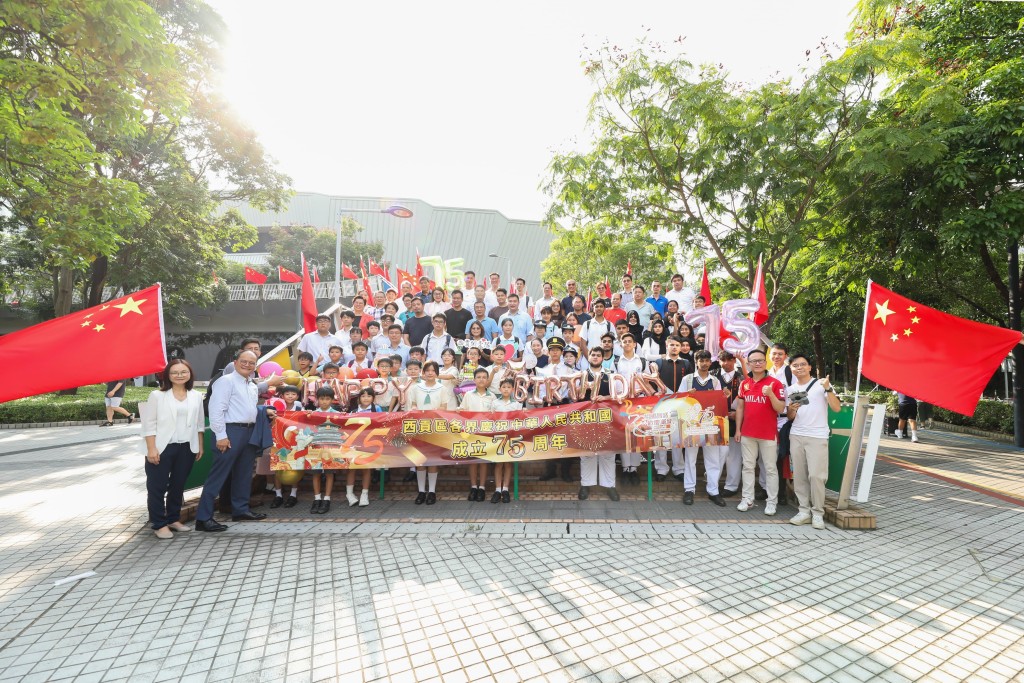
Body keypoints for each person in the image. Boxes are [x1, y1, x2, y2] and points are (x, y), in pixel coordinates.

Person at [195, 350, 267, 532]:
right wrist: (221, 436)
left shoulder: (251, 385)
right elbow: (216, 410)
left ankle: (241, 510)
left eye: (252, 363)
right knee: (218, 476)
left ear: (255, 366)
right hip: (230, 432)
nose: (247, 365)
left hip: (249, 432)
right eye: (244, 361)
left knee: (244, 474)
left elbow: (247, 409)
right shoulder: (225, 381)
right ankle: (203, 518)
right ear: (235, 362)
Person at [142, 359, 204, 539]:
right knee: (157, 487)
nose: (179, 375)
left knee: (178, 485)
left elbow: (199, 423)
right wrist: (151, 449)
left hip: (187, 447)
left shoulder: (196, 396)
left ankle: (173, 519)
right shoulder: (157, 395)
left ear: (190, 374)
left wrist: (200, 445)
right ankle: (159, 524)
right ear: (168, 376)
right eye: (174, 372)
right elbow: (149, 425)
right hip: (162, 447)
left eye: (183, 372)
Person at [786, 354, 841, 530]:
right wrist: (792, 410)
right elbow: (791, 417)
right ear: (791, 369)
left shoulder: (821, 385)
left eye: (803, 364)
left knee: (817, 476)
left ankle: (818, 513)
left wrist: (828, 389)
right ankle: (804, 511)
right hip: (796, 435)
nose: (799, 367)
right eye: (795, 365)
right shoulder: (791, 389)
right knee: (800, 476)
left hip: (817, 436)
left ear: (810, 367)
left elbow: (836, 408)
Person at [734, 348, 787, 515]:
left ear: (766, 363)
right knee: (748, 467)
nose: (757, 363)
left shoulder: (775, 383)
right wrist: (738, 429)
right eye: (754, 361)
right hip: (747, 433)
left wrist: (770, 394)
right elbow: (741, 407)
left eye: (760, 360)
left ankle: (772, 502)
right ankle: (747, 499)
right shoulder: (745, 383)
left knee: (770, 469)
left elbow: (780, 408)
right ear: (748, 364)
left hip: (768, 434)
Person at [678, 350, 728, 507]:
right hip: (691, 425)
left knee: (712, 460)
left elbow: (720, 402)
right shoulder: (687, 380)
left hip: (710, 424)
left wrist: (723, 395)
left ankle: (713, 491)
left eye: (707, 360)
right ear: (696, 362)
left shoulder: (714, 381)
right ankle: (689, 490)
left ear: (710, 363)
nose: (705, 363)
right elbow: (679, 400)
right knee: (690, 459)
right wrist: (687, 394)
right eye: (701, 360)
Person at [407, 361, 455, 504]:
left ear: (436, 373)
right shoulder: (416, 388)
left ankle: (432, 491)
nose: (430, 373)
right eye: (427, 370)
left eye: (433, 370)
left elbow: (444, 407)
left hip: (434, 427)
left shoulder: (442, 388)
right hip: (419, 427)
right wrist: (417, 411)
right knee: (420, 460)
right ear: (423, 372)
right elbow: (413, 404)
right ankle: (421, 491)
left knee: (433, 459)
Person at [579, 348, 619, 501]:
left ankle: (610, 486)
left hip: (605, 417)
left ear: (603, 358)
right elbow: (574, 396)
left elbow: (618, 395)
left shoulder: (610, 375)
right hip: (586, 418)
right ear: (588, 357)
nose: (595, 357)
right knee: (586, 453)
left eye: (598, 355)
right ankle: (585, 485)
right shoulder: (581, 375)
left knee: (608, 453)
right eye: (593, 355)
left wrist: (606, 397)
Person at [652, 336, 692, 481]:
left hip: (681, 405)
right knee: (661, 437)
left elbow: (690, 381)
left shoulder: (686, 363)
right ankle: (661, 469)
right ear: (666, 345)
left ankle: (679, 469)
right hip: (662, 404)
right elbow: (651, 382)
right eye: (672, 345)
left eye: (677, 345)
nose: (674, 347)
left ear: (681, 347)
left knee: (678, 437)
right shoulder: (659, 362)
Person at [539, 337, 575, 482]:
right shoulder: (543, 370)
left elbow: (571, 389)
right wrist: (545, 397)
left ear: (561, 352)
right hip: (548, 405)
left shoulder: (569, 369)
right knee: (548, 437)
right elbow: (540, 388)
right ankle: (550, 470)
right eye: (552, 350)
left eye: (557, 350)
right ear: (548, 351)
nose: (554, 352)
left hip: (564, 404)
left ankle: (566, 471)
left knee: (566, 437)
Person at [615, 333, 647, 484]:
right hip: (622, 402)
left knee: (637, 434)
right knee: (624, 435)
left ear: (635, 344)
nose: (627, 344)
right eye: (624, 341)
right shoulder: (616, 361)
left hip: (638, 402)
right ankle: (625, 469)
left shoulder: (642, 361)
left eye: (630, 341)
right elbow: (614, 382)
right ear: (621, 344)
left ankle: (634, 469)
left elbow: (647, 381)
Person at [460, 366, 495, 501]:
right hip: (471, 433)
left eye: (484, 377)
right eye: (478, 377)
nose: (481, 380)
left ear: (487, 380)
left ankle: (482, 488)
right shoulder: (468, 395)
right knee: (473, 461)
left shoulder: (491, 396)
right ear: (474, 380)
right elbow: (462, 410)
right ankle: (473, 487)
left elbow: (494, 415)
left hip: (486, 433)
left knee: (483, 461)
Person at [345, 388, 383, 507]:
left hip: (369, 442)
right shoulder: (353, 411)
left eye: (369, 396)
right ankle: (349, 494)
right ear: (359, 398)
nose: (366, 398)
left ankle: (364, 494)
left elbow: (381, 423)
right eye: (363, 396)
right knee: (351, 468)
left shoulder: (377, 409)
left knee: (366, 468)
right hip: (354, 443)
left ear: (373, 398)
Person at [714, 350, 744, 497]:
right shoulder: (713, 376)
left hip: (734, 421)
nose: (726, 363)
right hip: (715, 421)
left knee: (734, 455)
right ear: (719, 361)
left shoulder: (742, 377)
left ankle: (731, 486)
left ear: (734, 361)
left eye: (729, 360)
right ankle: (713, 484)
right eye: (723, 360)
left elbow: (747, 399)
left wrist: (738, 414)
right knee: (715, 454)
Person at [490, 379, 521, 503]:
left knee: (508, 463)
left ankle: (505, 489)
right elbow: (490, 419)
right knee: (498, 464)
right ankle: (497, 490)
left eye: (509, 387)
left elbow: (520, 419)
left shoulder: (517, 404)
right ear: (500, 389)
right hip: (498, 436)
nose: (506, 389)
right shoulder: (495, 403)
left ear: (513, 389)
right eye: (504, 387)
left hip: (512, 436)